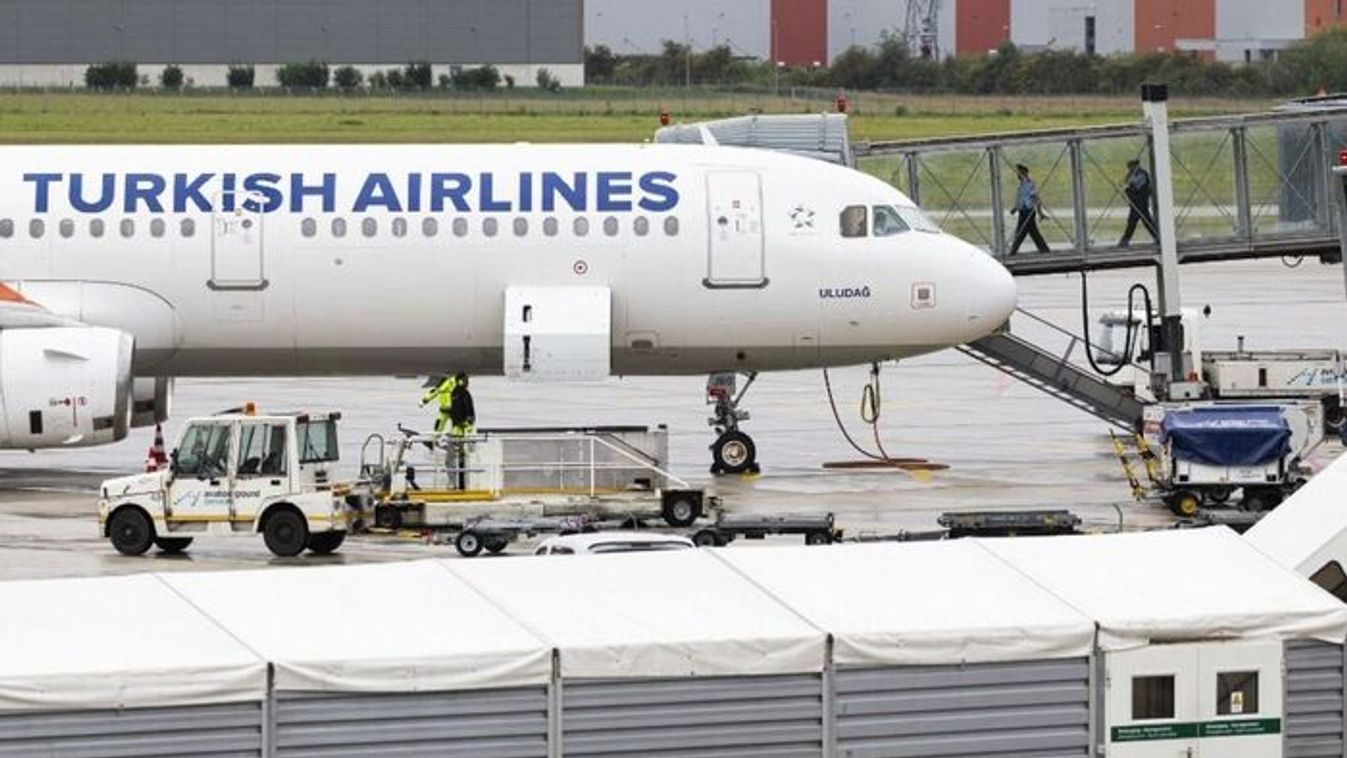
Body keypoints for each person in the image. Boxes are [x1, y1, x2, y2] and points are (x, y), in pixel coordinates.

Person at [1009, 163, 1049, 254]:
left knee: (1020, 232)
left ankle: (1013, 251)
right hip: (1023, 212)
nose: (1017, 175)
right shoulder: (1021, 186)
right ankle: (1044, 250)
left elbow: (1035, 198)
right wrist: (1015, 208)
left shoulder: (1030, 185)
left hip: (1028, 212)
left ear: (1024, 173)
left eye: (1019, 173)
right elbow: (1021, 200)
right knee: (1033, 232)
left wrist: (1040, 212)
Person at [1118, 158, 1158, 247]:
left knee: (1144, 222)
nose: (1129, 169)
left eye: (1130, 166)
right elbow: (1125, 182)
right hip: (1135, 204)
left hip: (1141, 203)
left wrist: (1128, 181)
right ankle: (1125, 241)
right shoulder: (1134, 174)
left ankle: (1125, 241)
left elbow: (1133, 183)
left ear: (1135, 165)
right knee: (1134, 222)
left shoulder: (1142, 174)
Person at [447, 373, 476, 438]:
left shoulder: (464, 392)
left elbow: (470, 405)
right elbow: (456, 407)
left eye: (467, 380)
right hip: (460, 422)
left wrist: (471, 416)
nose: (467, 382)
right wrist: (459, 419)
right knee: (458, 435)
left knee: (467, 435)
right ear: (460, 381)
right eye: (465, 380)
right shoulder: (457, 392)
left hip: (465, 421)